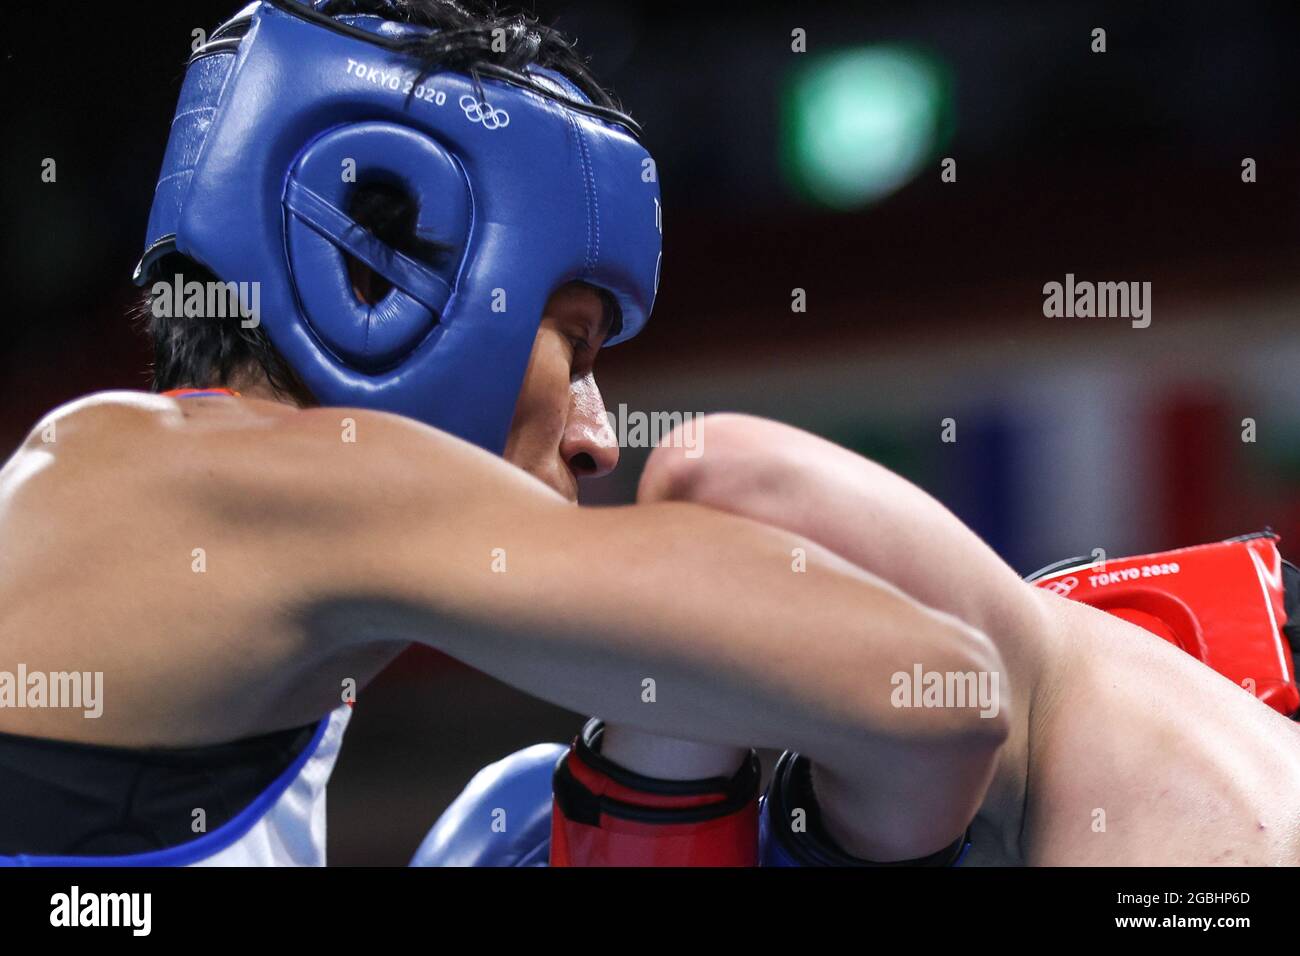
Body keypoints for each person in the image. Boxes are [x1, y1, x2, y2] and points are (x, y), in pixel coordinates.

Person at [2, 0, 1298, 869]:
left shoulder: (182, 575)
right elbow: (935, 695)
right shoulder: (197, 478)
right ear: (380, 289)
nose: (594, 435)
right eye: (574, 345)